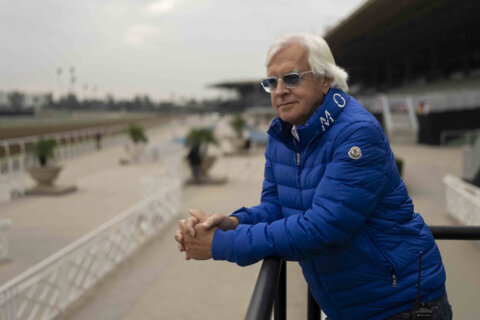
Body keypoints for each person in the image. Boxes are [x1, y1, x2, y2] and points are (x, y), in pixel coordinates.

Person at [174, 33, 452, 320]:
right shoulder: (282, 135)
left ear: (325, 80)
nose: (279, 90)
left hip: (401, 304)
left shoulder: (357, 132)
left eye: (292, 78)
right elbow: (277, 209)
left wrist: (219, 245)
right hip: (348, 307)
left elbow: (324, 227)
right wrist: (231, 223)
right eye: (271, 82)